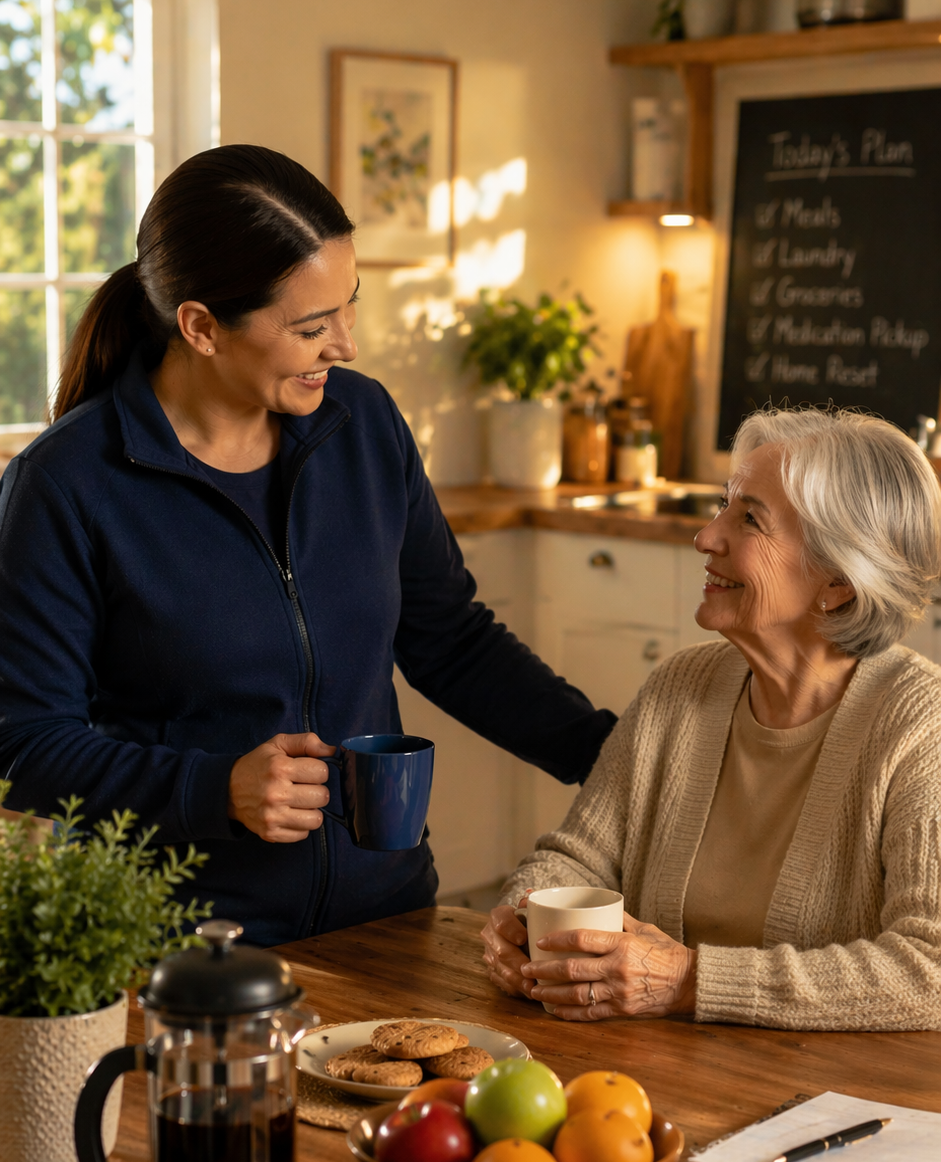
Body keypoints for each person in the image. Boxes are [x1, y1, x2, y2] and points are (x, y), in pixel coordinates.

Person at [0, 145, 615, 945]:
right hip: (178, 947)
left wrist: (615, 761)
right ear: (201, 326)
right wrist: (212, 787)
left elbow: (450, 639)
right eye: (311, 326)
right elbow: (22, 742)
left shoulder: (362, 426)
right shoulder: (67, 484)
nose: (346, 345)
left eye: (348, 307)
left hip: (386, 919)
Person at [482, 405, 941, 1030]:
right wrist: (519, 919)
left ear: (838, 581)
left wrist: (689, 982)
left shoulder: (921, 725)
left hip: (832, 1100)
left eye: (748, 518)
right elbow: (576, 859)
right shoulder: (682, 685)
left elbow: (929, 966)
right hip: (652, 1076)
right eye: (723, 505)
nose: (706, 536)